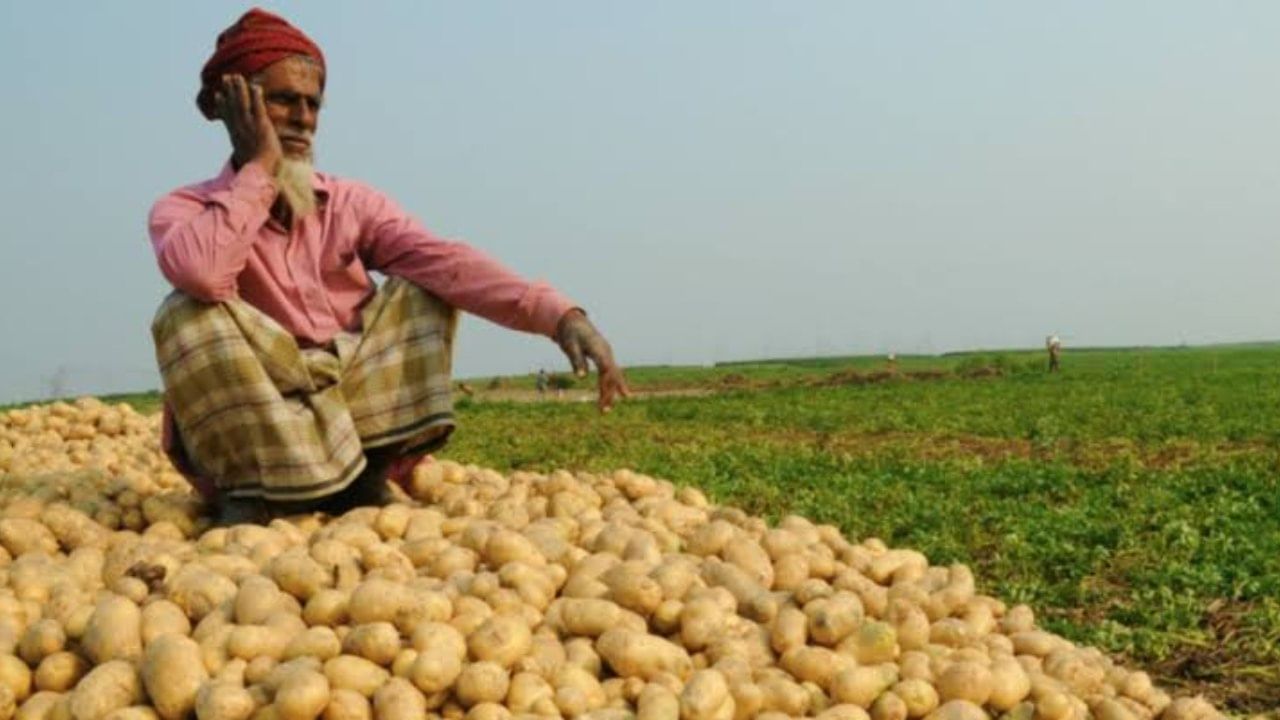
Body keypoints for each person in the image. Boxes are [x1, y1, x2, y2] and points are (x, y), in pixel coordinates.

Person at [148, 8, 629, 524]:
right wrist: (260, 168)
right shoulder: (186, 210)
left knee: (425, 286)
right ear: (238, 107)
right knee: (184, 312)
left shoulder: (351, 203)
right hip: (263, 418)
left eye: (313, 104)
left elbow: (448, 262)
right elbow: (201, 273)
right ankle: (255, 493)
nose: (304, 119)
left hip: (349, 406)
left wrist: (560, 316)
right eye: (284, 100)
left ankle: (359, 482)